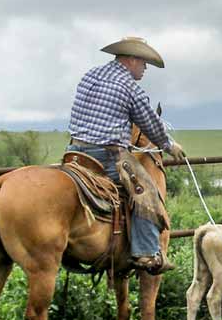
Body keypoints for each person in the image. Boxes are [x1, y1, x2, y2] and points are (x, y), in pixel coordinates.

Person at [66, 36, 185, 274]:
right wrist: (170, 145)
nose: (145, 69)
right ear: (131, 59)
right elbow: (150, 124)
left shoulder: (90, 76)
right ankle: (147, 252)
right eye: (144, 63)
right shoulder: (130, 88)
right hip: (106, 155)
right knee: (145, 191)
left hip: (74, 153)